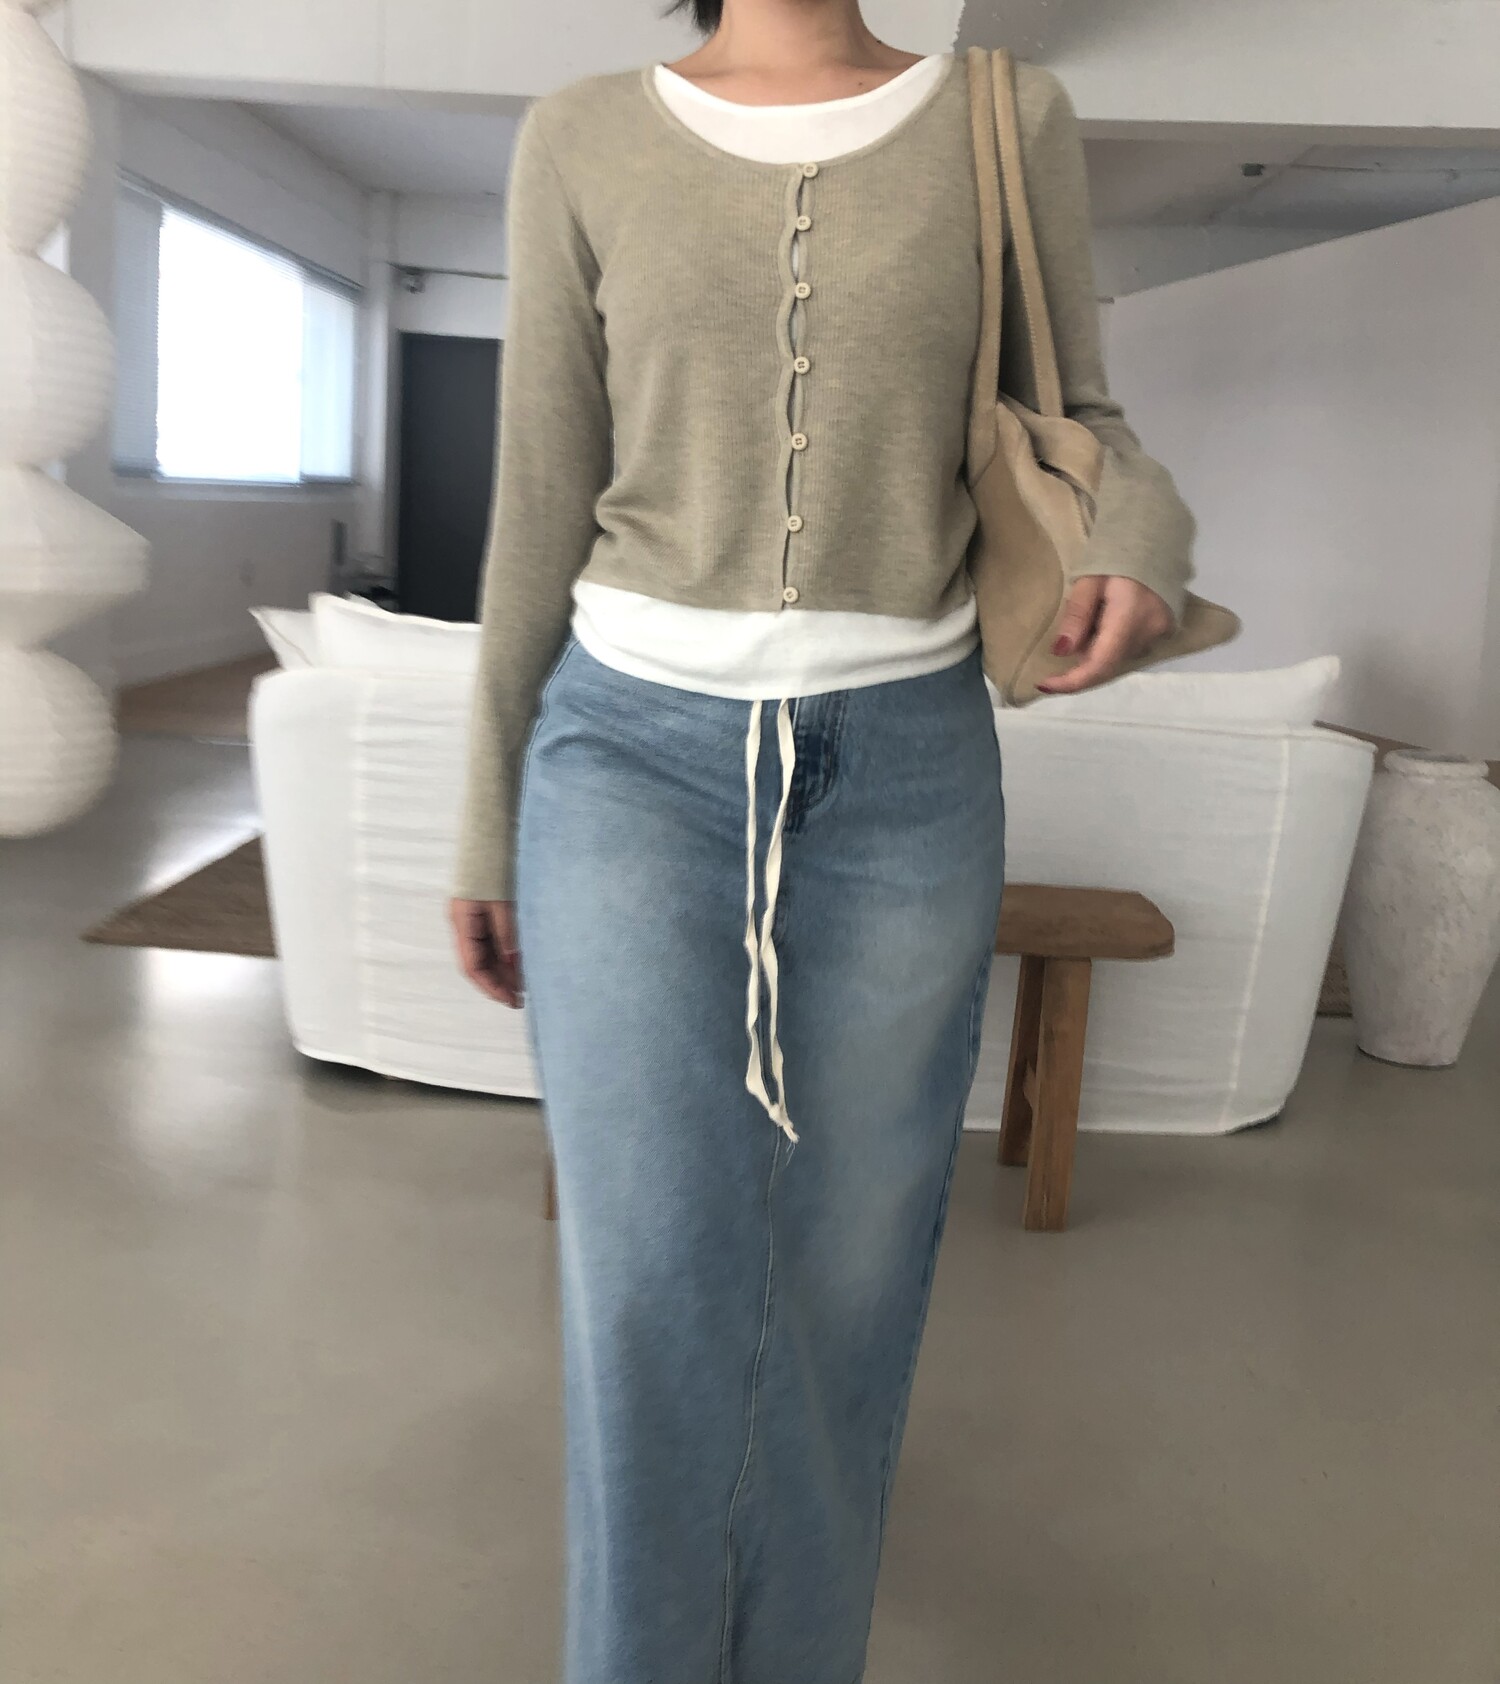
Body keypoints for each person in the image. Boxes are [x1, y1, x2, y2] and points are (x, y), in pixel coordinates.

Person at [448, 2, 1194, 1678]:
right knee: (650, 1289)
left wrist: (1138, 542)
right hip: (626, 765)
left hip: (907, 776)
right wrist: (487, 821)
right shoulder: (581, 134)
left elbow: (1084, 412)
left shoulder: (1005, 116)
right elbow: (538, 494)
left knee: (847, 1295)